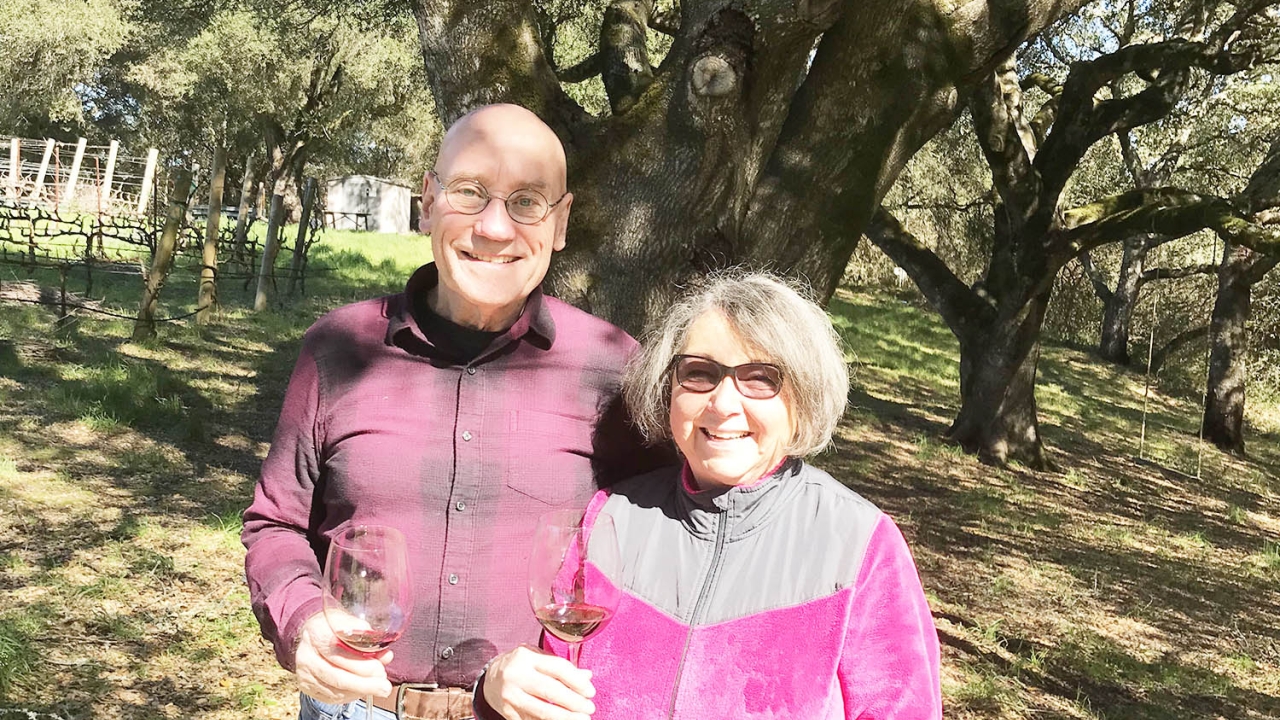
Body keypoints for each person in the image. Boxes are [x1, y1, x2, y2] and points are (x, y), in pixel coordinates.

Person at [242, 103, 668, 720]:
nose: (494, 228)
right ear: (428, 201)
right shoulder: (335, 348)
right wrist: (302, 622)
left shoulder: (613, 368)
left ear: (562, 222)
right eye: (469, 193)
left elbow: (666, 543)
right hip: (356, 709)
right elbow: (276, 524)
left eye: (526, 201)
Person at [482, 272, 943, 719]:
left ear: (801, 399)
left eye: (760, 378)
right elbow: (554, 685)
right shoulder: (612, 515)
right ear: (669, 391)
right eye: (699, 373)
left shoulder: (860, 543)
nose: (723, 404)